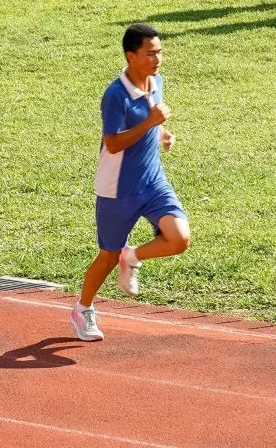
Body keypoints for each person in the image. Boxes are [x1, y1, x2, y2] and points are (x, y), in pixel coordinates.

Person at [70, 24, 189, 342]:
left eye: (159, 52)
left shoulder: (157, 81)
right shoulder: (115, 95)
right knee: (107, 255)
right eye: (150, 53)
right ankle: (83, 310)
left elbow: (147, 124)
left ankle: (133, 256)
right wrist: (151, 123)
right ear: (131, 55)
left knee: (179, 239)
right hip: (117, 189)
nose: (157, 58)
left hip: (152, 181)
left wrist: (162, 134)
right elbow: (112, 143)